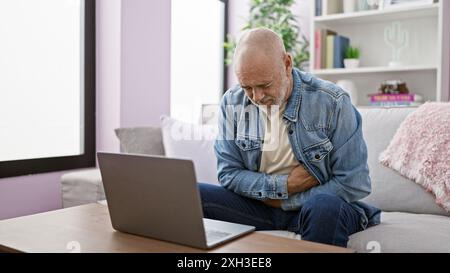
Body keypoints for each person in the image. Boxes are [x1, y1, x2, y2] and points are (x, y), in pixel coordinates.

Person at [199, 27, 380, 247]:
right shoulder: (232, 102)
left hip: (314, 207)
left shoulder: (332, 102)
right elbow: (228, 173)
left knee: (324, 207)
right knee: (190, 195)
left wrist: (286, 202)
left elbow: (354, 183)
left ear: (287, 64)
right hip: (260, 205)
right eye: (247, 87)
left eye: (265, 85)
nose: (256, 97)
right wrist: (284, 186)